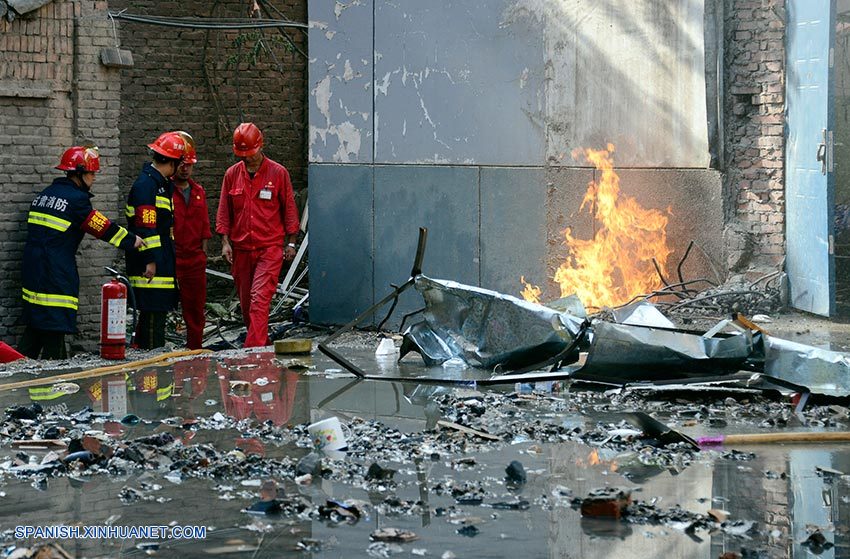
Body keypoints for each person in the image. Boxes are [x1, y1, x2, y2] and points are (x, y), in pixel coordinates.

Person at [19, 146, 144, 359]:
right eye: (92, 173)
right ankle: (58, 385)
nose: (94, 178)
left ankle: (16, 375)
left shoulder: (45, 195)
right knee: (54, 329)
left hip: (33, 270)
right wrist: (132, 240)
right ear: (78, 173)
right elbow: (101, 226)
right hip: (55, 271)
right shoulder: (76, 200)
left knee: (36, 326)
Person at [216, 123, 300, 347]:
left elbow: (289, 209)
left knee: (259, 299)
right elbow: (224, 210)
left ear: (260, 146)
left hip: (269, 248)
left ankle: (254, 350)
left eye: (251, 154)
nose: (248, 159)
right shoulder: (232, 175)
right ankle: (257, 339)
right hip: (242, 249)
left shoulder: (278, 173)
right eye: (242, 155)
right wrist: (225, 242)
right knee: (246, 303)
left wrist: (291, 242)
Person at [125, 131, 187, 349]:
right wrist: (150, 260)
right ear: (171, 161)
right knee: (153, 315)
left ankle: (149, 366)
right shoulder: (147, 185)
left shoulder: (158, 184)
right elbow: (145, 226)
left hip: (160, 260)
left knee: (155, 313)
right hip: (150, 264)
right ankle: (153, 369)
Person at [171, 132, 211, 349]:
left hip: (194, 260)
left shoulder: (198, 192)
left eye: (189, 165)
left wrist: (202, 254)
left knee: (195, 309)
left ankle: (195, 348)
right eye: (182, 164)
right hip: (171, 258)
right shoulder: (165, 191)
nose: (185, 169)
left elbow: (205, 226)